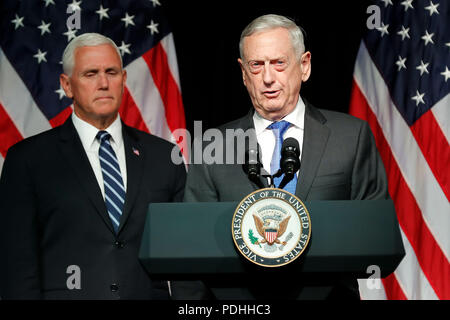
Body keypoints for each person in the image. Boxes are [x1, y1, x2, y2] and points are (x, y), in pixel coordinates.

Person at [183, 14, 390, 299]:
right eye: (257, 65)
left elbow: (376, 234)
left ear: (304, 66)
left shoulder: (351, 137)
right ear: (244, 73)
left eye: (279, 63)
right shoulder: (212, 147)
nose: (268, 78)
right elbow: (191, 249)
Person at [0, 33, 187, 299]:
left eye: (111, 72)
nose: (103, 83)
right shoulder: (28, 160)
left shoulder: (164, 156)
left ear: (123, 79)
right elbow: (17, 266)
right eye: (90, 74)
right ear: (67, 85)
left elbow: (183, 253)